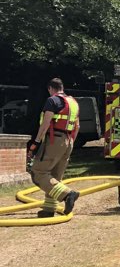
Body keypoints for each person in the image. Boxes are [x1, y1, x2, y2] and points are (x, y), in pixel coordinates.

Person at [27, 78, 81, 218]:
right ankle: (49, 209)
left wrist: (36, 142)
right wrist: (70, 143)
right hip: (69, 141)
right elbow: (77, 126)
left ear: (50, 89)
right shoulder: (73, 102)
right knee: (55, 176)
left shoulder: (52, 101)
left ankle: (68, 194)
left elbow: (45, 124)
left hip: (54, 139)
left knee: (38, 172)